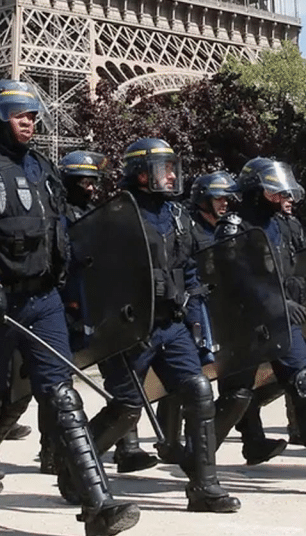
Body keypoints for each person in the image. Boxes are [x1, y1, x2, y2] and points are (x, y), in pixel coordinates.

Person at [0, 79, 140, 536]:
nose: (30, 121)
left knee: (62, 394)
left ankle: (97, 505)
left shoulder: (42, 166)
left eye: (32, 114)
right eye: (19, 114)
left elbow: (62, 231)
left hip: (41, 297)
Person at [89, 138, 240, 513]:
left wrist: (193, 317)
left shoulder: (177, 215)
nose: (172, 174)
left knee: (199, 391)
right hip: (131, 329)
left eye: (173, 167)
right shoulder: (116, 214)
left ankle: (204, 487)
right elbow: (94, 275)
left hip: (170, 325)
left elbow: (188, 269)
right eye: (164, 168)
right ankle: (74, 467)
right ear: (141, 173)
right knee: (126, 407)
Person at [57, 150, 159, 477]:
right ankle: (52, 451)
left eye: (92, 182)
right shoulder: (58, 216)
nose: (89, 188)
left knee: (127, 374)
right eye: (82, 182)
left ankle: (127, 448)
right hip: (68, 306)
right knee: (55, 383)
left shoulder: (99, 215)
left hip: (101, 304)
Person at [218, 158, 306, 480]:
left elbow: (299, 264)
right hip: (245, 323)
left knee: (305, 384)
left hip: (283, 321)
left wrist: (300, 292)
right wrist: (276, 302)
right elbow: (234, 276)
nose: (281, 195)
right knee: (236, 398)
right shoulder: (234, 225)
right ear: (255, 190)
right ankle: (197, 462)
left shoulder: (286, 223)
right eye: (273, 190)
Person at [153, 171, 242, 464]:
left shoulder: (231, 228)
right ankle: (168, 439)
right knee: (183, 377)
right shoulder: (187, 226)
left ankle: (244, 439)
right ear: (203, 198)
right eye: (219, 198)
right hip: (191, 306)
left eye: (228, 198)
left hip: (220, 309)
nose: (225, 204)